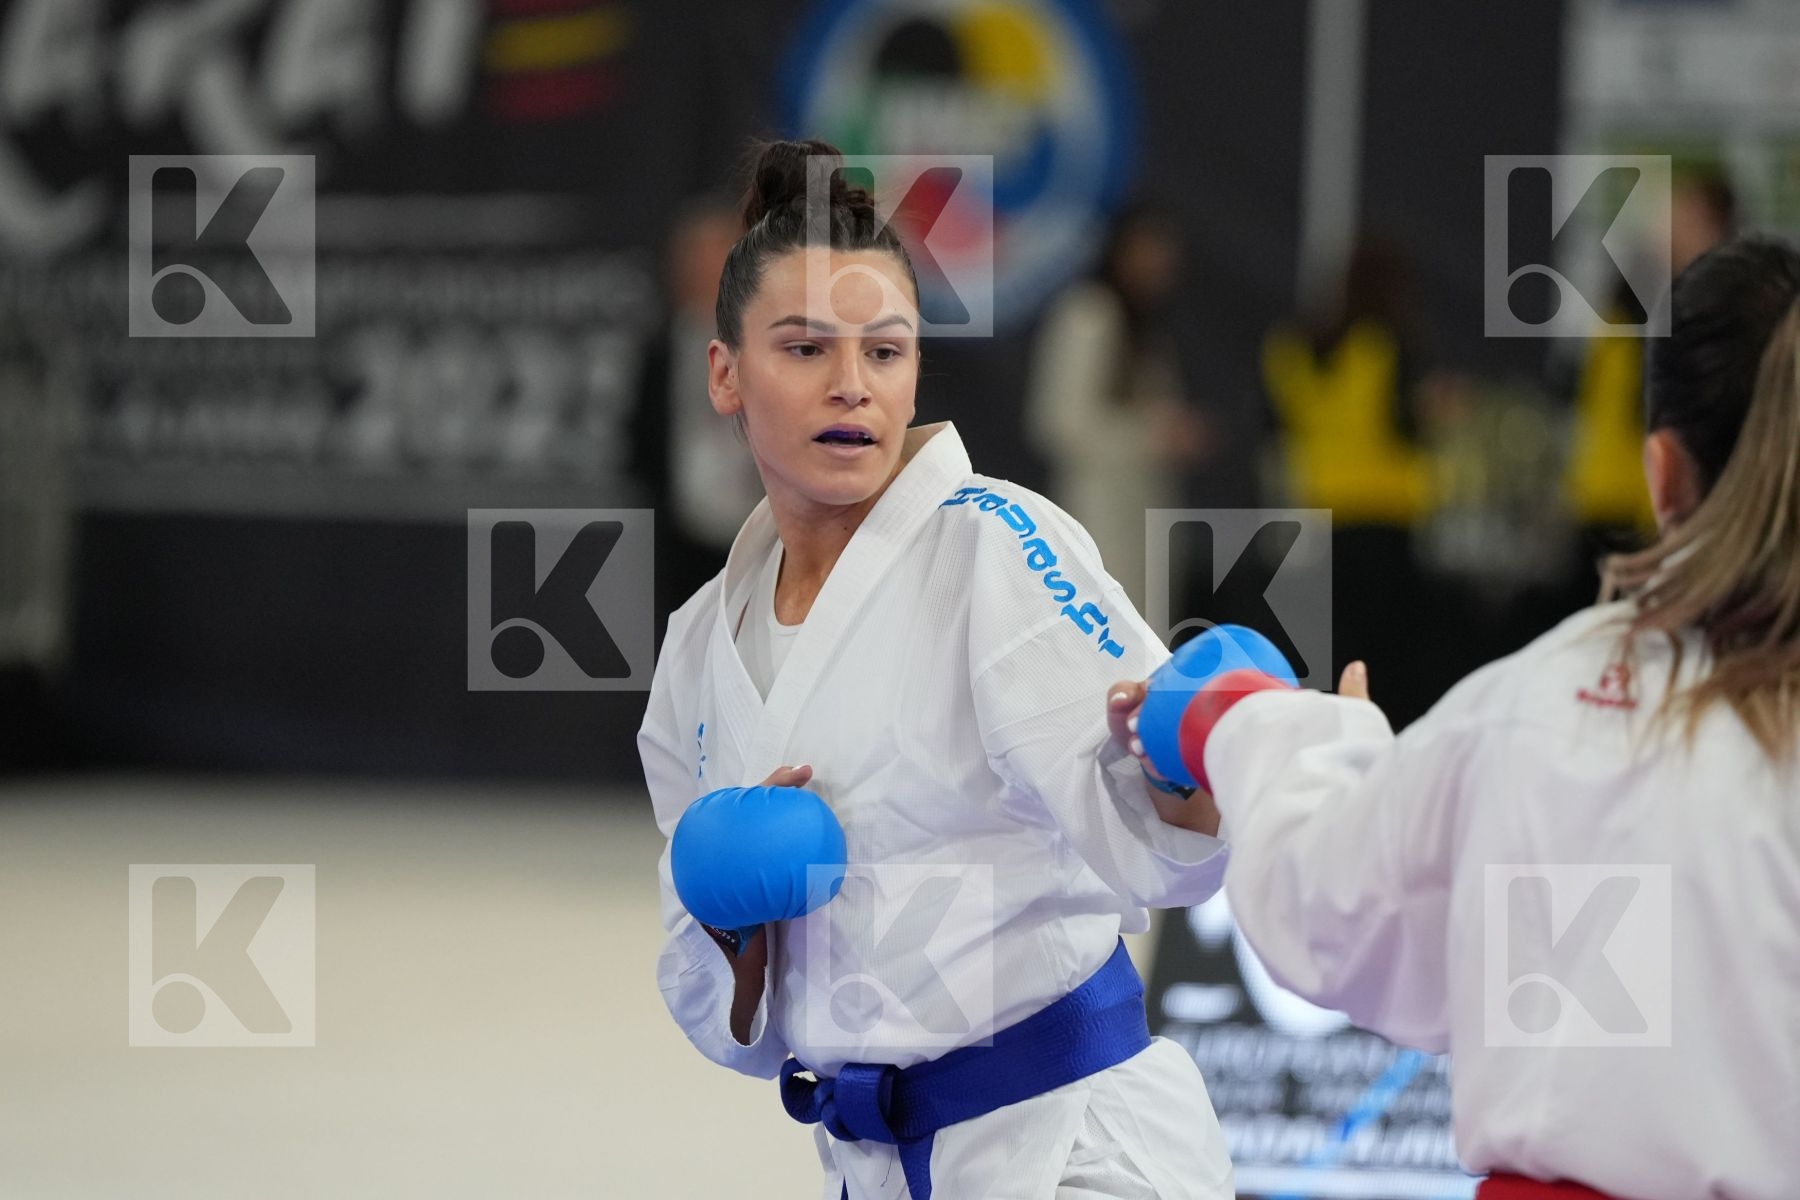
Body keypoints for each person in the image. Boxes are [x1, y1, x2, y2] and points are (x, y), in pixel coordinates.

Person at [1118, 233, 1800, 1199]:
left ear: (1663, 476)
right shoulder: (1550, 708)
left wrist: (1247, 729)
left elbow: (1345, 912)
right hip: (1382, 539)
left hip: (1330, 537)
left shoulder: (1552, 706)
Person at [638, 139, 1236, 1200]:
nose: (852, 387)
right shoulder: (697, 648)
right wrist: (731, 929)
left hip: (1071, 1152)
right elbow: (733, 1028)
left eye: (885, 351)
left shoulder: (992, 548)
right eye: (805, 348)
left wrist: (1195, 757)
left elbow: (1167, 851)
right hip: (872, 1163)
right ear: (724, 372)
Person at [1027, 204, 1209, 612]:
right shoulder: (1088, 315)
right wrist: (1155, 435)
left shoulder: (1149, 332)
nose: (1160, 263)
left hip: (1147, 518)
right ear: (1120, 249)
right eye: (1149, 248)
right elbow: (1058, 423)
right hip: (1099, 519)